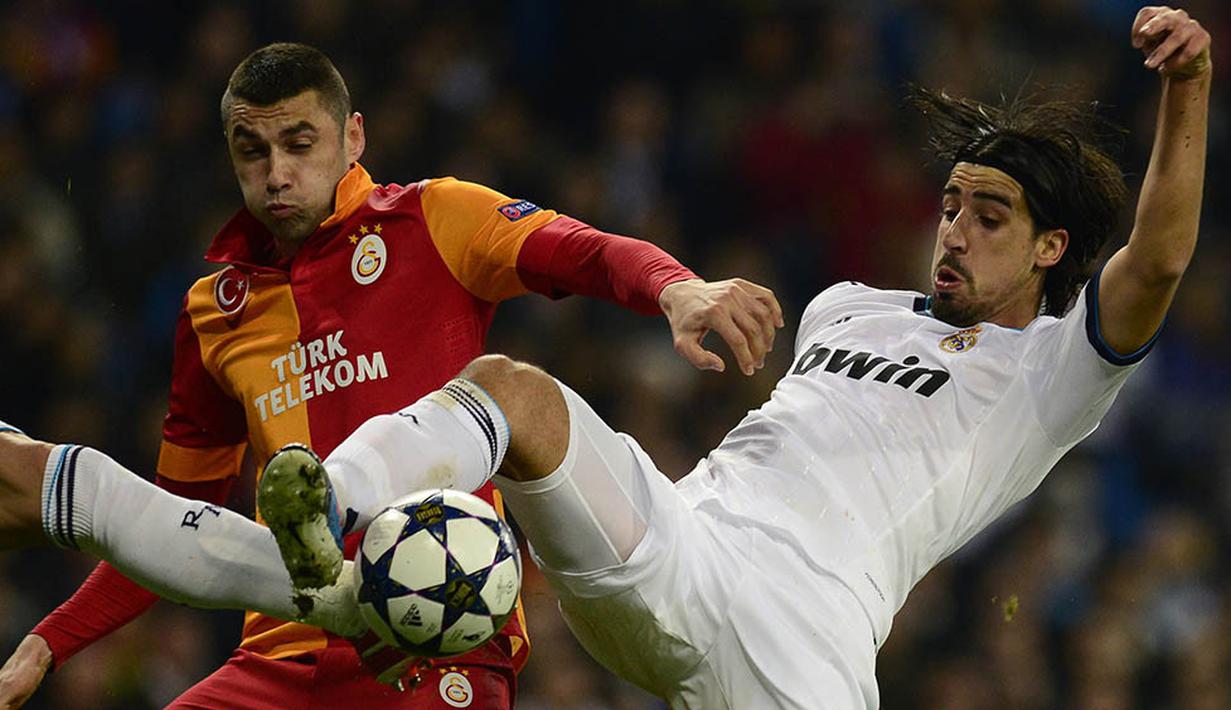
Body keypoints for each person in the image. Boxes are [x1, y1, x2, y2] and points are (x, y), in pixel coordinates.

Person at [255, 7, 1212, 708]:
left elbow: (1159, 258)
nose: (954, 230)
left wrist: (1187, 87)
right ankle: (325, 505)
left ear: (1049, 248)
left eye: (989, 217)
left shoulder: (1053, 375)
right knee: (513, 396)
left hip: (805, 643)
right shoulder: (846, 308)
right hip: (681, 543)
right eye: (952, 205)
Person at [0, 43, 782, 708]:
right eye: (253, 152)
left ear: (352, 138)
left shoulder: (434, 219)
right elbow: (170, 522)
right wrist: (49, 641)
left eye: (299, 144)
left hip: (435, 635)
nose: (276, 173)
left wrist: (676, 287)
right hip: (279, 653)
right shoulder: (216, 310)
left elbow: (580, 251)